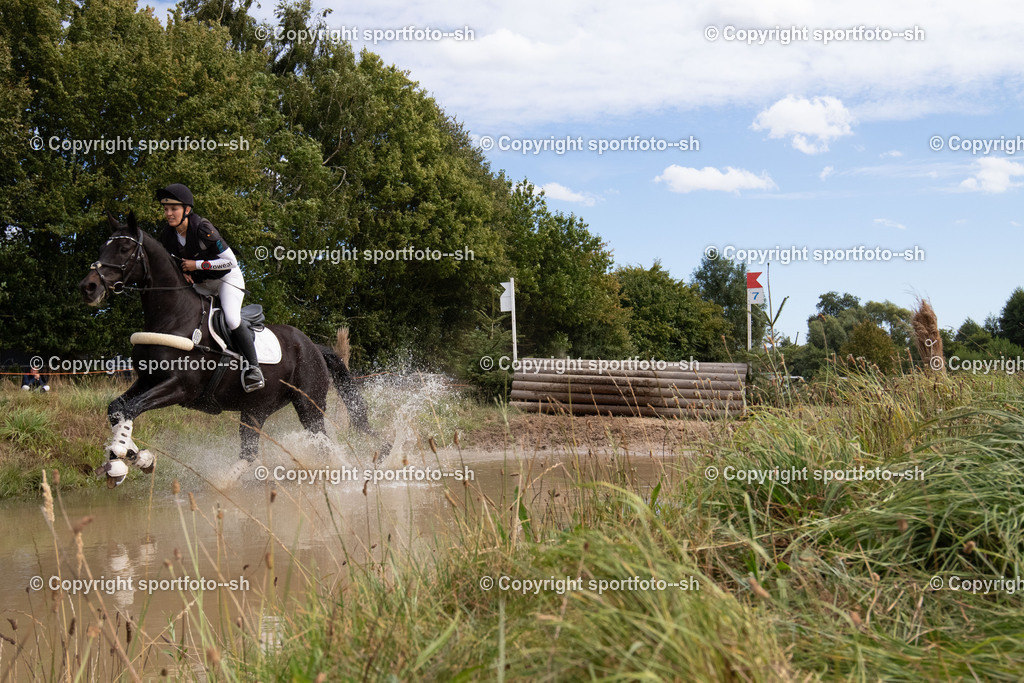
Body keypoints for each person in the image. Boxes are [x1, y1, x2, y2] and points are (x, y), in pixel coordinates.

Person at [155, 183, 265, 392]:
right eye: (166, 209)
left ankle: (254, 368)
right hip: (202, 284)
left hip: (226, 280)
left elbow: (231, 262)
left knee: (232, 318)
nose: (168, 213)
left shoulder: (203, 228)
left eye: (173, 209)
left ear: (187, 210)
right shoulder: (168, 235)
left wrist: (196, 265)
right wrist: (184, 274)